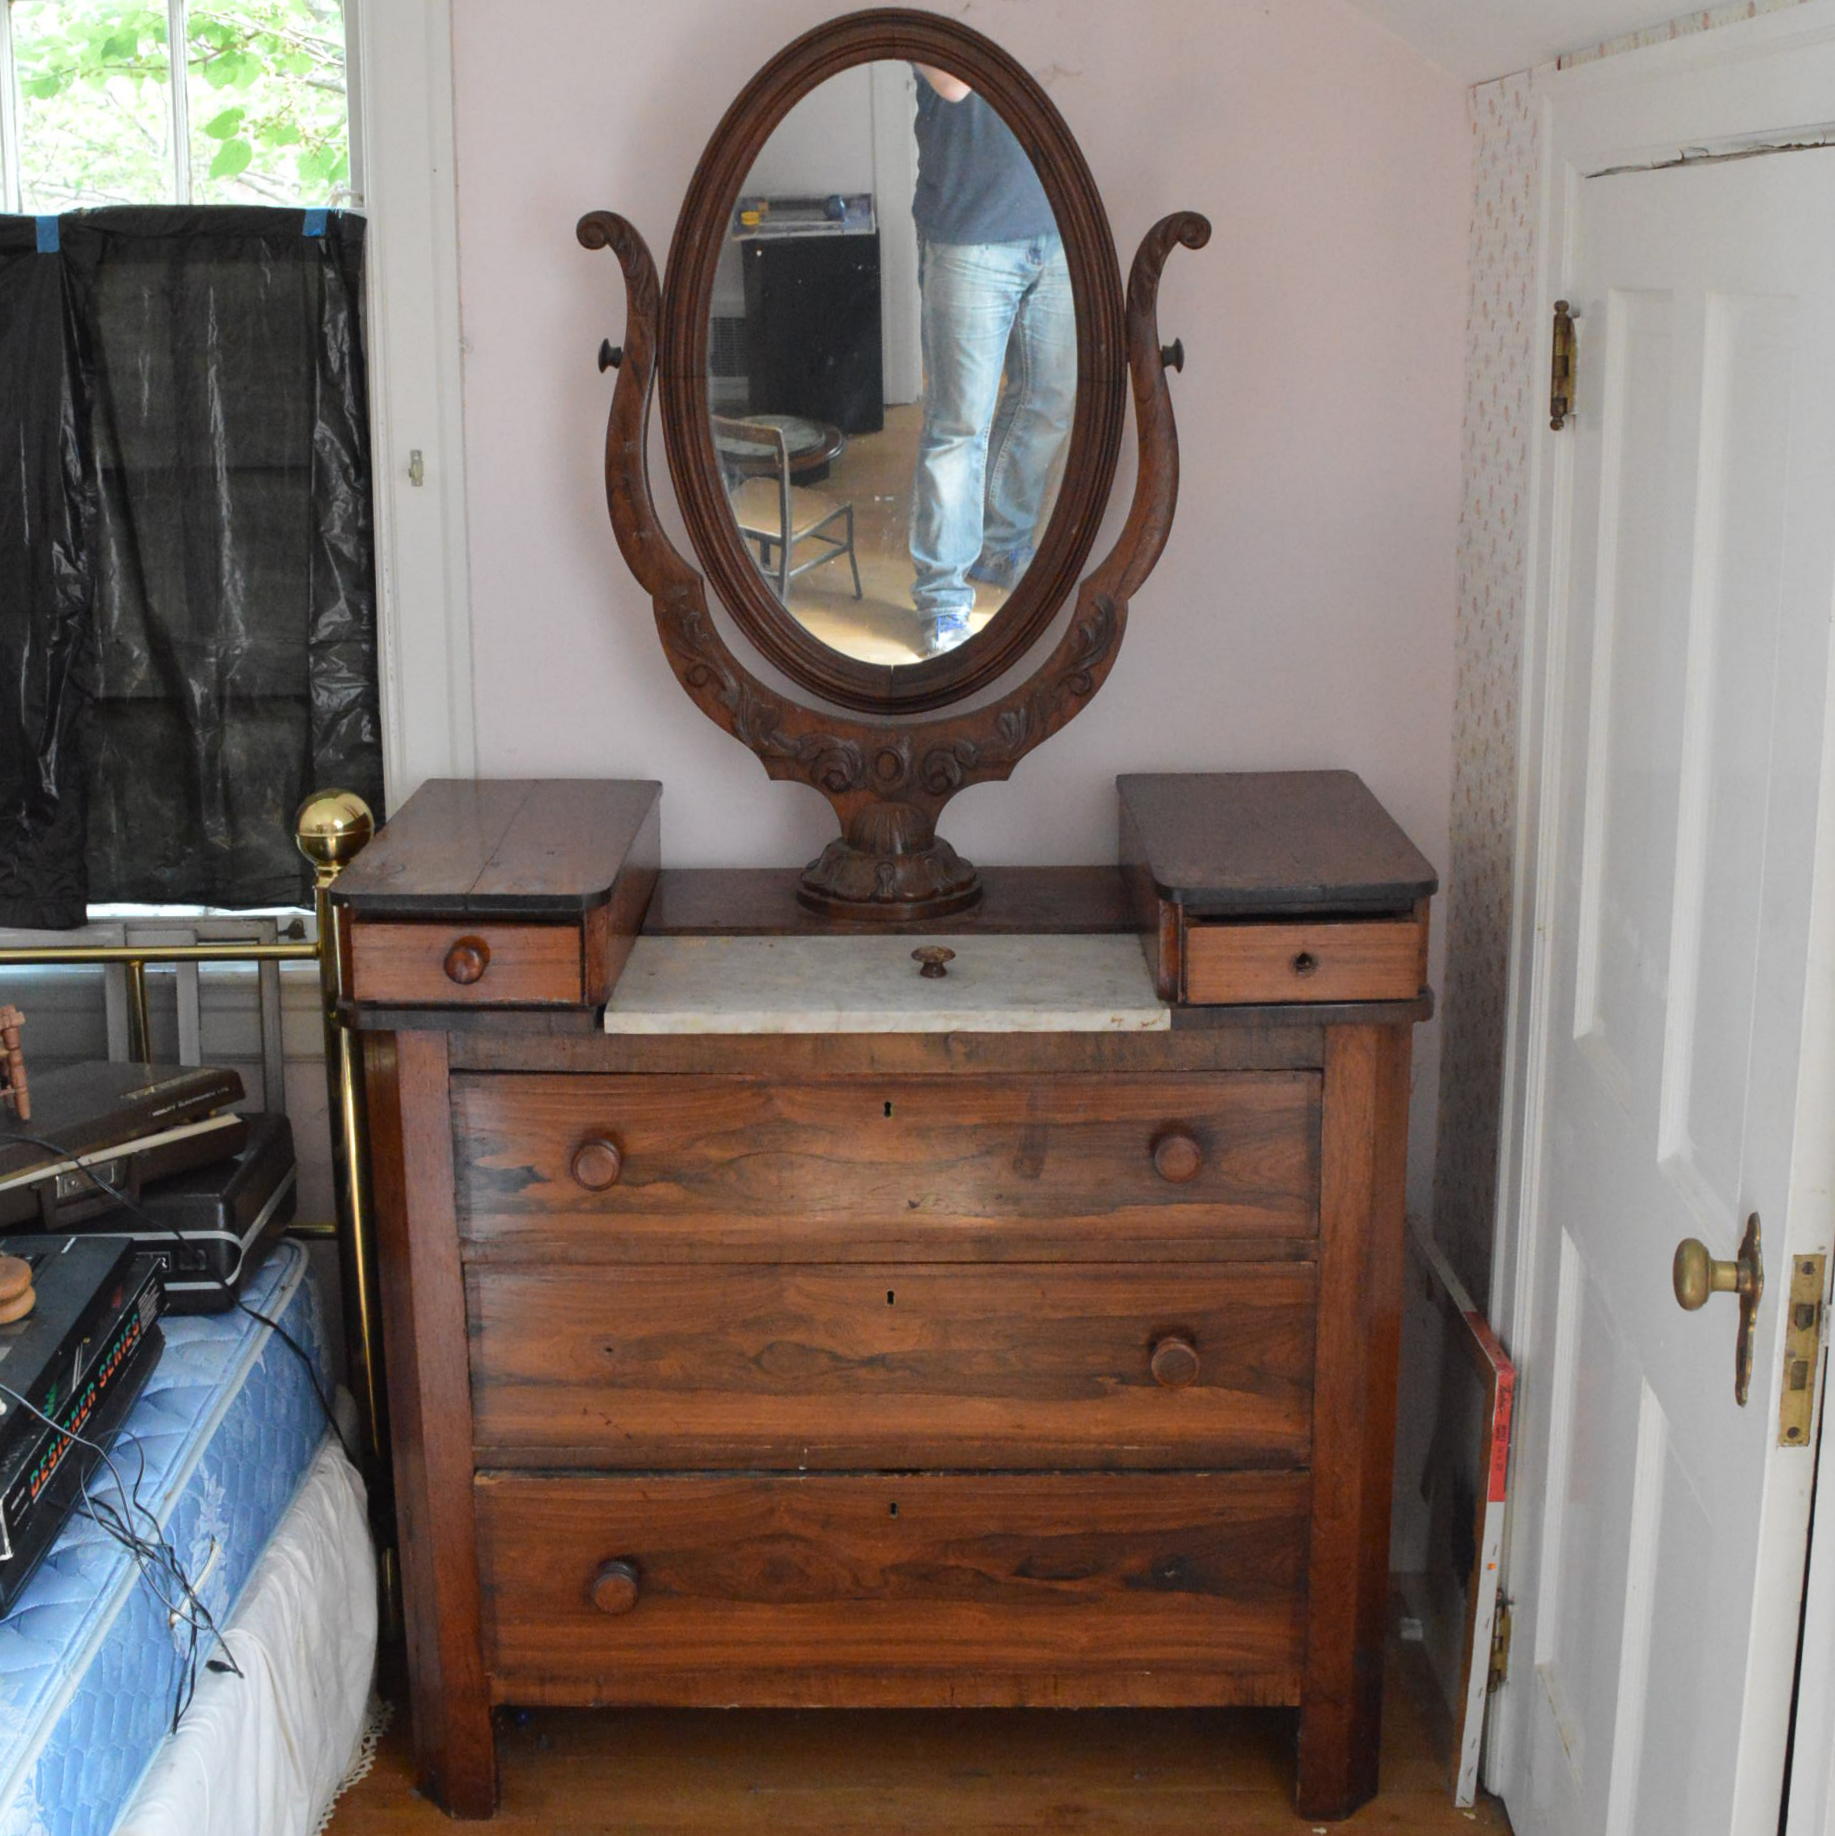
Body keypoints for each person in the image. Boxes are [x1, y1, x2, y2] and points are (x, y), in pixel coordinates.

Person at [908, 63, 1076, 659]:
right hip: (970, 232)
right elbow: (954, 79)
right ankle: (944, 596)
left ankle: (1003, 546)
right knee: (959, 427)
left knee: (1050, 401)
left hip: (1065, 224)